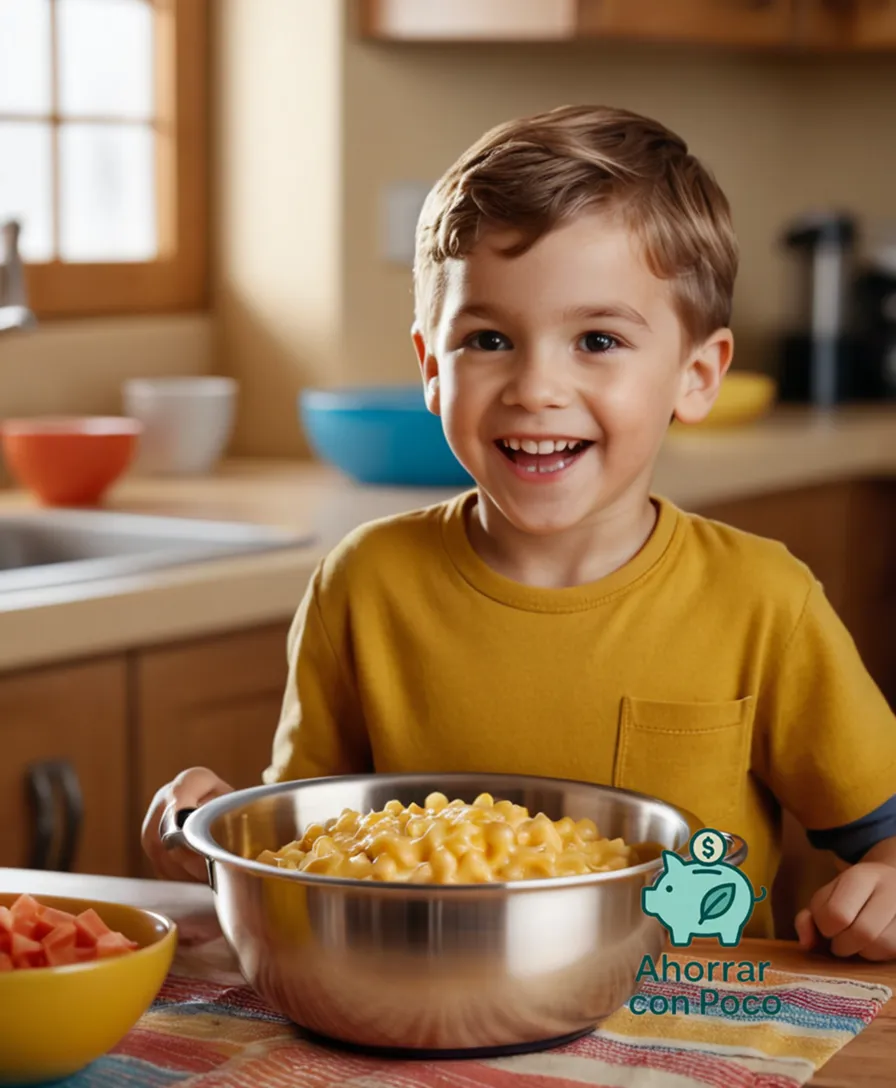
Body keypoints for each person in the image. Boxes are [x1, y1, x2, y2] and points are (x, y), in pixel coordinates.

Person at [142, 105, 896, 959]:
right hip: (417, 1023)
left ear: (695, 376)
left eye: (598, 339)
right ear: (432, 368)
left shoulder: (764, 601)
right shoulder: (365, 584)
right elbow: (305, 854)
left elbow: (885, 830)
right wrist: (213, 830)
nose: (536, 388)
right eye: (490, 338)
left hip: (684, 1031)